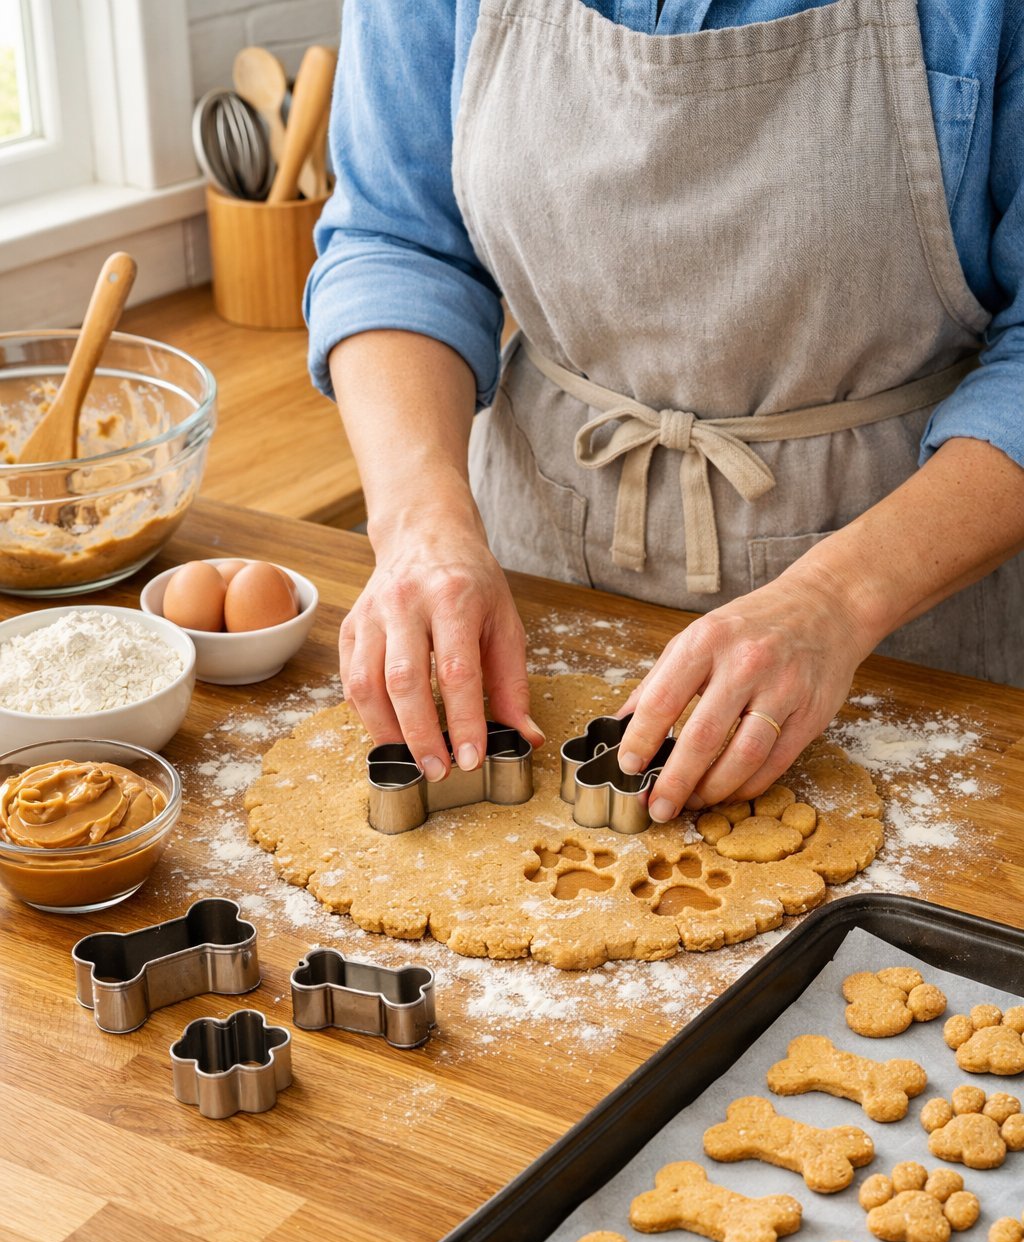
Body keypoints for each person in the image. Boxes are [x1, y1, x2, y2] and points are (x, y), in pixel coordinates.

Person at [306, 0, 1024, 823]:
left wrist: (839, 600)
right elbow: (399, 240)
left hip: (905, 598)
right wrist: (419, 524)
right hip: (537, 559)